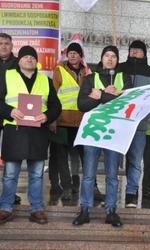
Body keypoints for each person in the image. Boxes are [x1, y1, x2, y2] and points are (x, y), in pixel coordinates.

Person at [0, 45, 61, 224]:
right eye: (26, 56)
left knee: (37, 174)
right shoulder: (6, 76)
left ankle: (37, 209)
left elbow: (56, 106)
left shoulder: (45, 80)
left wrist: (47, 116)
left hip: (37, 132)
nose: (30, 59)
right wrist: (9, 111)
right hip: (14, 131)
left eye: (33, 57)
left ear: (37, 61)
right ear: (19, 60)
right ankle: (5, 207)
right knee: (10, 174)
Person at [73, 45, 132, 227]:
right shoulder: (91, 78)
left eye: (114, 56)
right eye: (107, 55)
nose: (110, 58)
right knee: (89, 174)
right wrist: (109, 96)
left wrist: (99, 96)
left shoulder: (125, 78)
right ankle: (85, 209)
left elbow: (126, 104)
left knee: (112, 175)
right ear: (101, 58)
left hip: (115, 132)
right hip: (94, 131)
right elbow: (82, 104)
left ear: (117, 59)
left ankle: (111, 211)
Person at [119, 40, 150, 208]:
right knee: (115, 160)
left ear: (144, 53)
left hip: (139, 126)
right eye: (132, 50)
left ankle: (131, 194)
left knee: (135, 160)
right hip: (119, 124)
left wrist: (145, 115)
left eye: (138, 50)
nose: (134, 52)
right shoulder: (119, 68)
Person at [49, 42, 86, 200]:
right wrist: (53, 119)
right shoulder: (59, 70)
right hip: (62, 120)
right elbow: (53, 95)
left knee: (81, 155)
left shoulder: (86, 72)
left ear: (80, 56)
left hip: (81, 121)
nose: (72, 55)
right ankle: (67, 187)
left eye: (75, 53)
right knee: (61, 156)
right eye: (70, 53)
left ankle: (85, 185)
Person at [0, 33, 21, 205]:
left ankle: (9, 194)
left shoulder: (18, 64)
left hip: (11, 117)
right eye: (0, 43)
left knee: (10, 159)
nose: (4, 46)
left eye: (7, 43)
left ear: (12, 46)